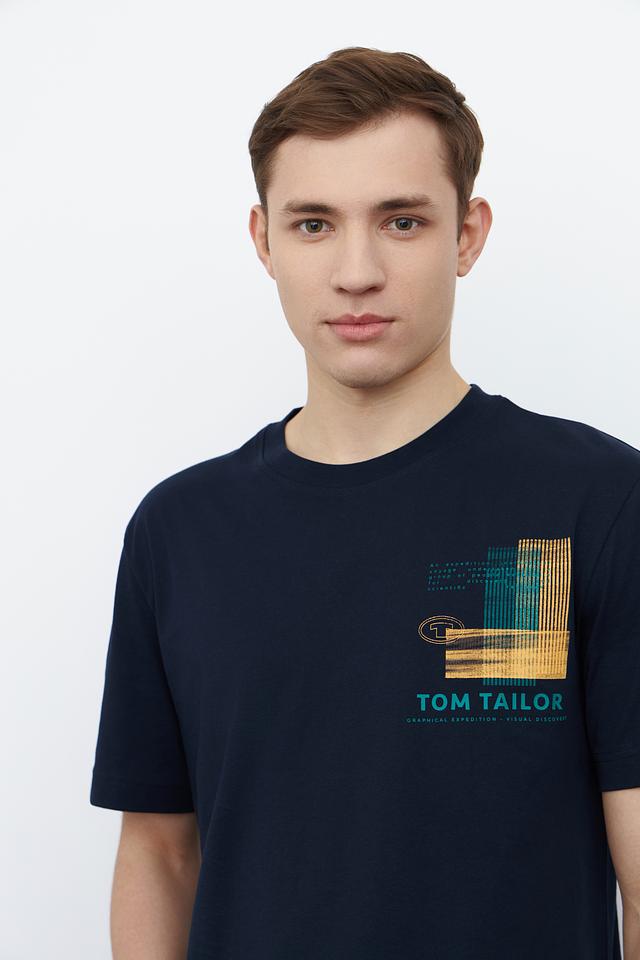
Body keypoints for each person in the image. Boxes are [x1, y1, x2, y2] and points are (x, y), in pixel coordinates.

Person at [90, 46, 640, 959]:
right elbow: (159, 852)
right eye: (313, 224)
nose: (356, 271)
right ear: (264, 240)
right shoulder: (179, 532)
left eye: (402, 221)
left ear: (467, 235)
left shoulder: (597, 502)